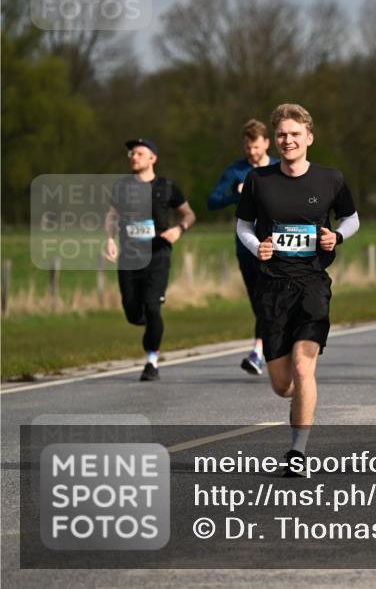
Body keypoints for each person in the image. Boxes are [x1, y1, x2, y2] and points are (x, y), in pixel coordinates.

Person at [235, 104, 360, 475]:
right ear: (276, 140)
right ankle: (296, 403)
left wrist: (335, 236)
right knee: (283, 385)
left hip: (312, 285)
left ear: (309, 137)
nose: (288, 140)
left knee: (305, 368)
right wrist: (257, 246)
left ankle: (298, 452)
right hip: (272, 287)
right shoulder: (260, 180)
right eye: (281, 135)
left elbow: (352, 218)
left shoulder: (330, 179)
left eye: (294, 134)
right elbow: (243, 225)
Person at [104, 139, 196, 382]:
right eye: (132, 153)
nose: (134, 157)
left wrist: (180, 229)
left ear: (152, 158)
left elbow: (189, 213)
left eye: (140, 153)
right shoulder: (122, 187)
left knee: (153, 306)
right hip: (129, 256)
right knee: (134, 313)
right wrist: (110, 240)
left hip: (158, 254)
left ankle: (151, 361)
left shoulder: (167, 187)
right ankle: (149, 322)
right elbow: (112, 216)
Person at [207, 119, 279, 375]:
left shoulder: (277, 168)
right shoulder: (236, 170)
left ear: (266, 143)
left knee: (271, 297)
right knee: (259, 300)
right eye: (248, 147)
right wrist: (235, 194)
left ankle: (259, 352)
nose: (252, 152)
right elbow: (212, 201)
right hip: (246, 245)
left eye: (256, 147)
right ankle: (267, 348)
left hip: (277, 244)